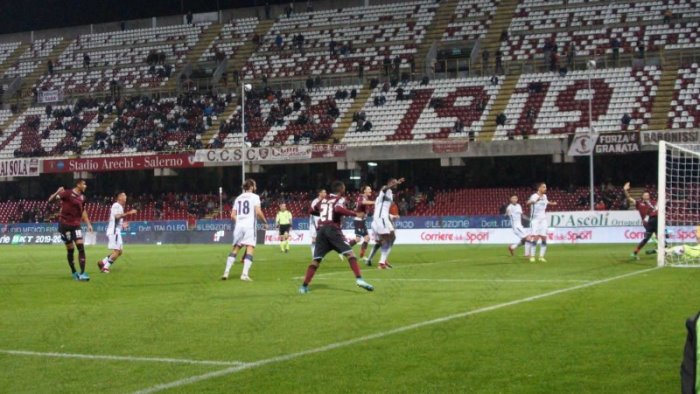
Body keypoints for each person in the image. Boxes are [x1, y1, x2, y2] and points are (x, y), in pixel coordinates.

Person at [299, 181, 374, 294]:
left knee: (316, 260)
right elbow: (338, 209)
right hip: (332, 230)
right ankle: (359, 279)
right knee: (350, 254)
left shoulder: (323, 199)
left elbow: (311, 210)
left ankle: (304, 287)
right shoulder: (340, 199)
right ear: (341, 189)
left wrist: (324, 215)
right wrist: (355, 214)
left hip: (321, 231)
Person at [222, 179, 269, 281]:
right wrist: (265, 222)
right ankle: (244, 274)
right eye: (255, 185)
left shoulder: (238, 198)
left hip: (239, 226)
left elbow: (232, 215)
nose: (256, 187)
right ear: (251, 186)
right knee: (250, 248)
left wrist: (240, 221)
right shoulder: (255, 197)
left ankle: (226, 272)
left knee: (236, 249)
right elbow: (258, 211)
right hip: (249, 226)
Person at [48, 179, 94, 281]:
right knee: (71, 249)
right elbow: (51, 200)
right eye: (84, 184)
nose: (85, 186)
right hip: (65, 225)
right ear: (78, 184)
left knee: (81, 247)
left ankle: (82, 273)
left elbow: (83, 211)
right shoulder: (67, 193)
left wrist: (88, 223)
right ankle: (74, 271)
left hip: (76, 225)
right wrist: (57, 191)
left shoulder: (82, 197)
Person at [369, 177, 405, 269]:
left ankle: (383, 260)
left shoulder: (390, 194)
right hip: (381, 218)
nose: (395, 184)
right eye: (393, 182)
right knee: (386, 239)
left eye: (395, 183)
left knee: (392, 237)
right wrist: (395, 182)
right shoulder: (384, 189)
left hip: (384, 218)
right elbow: (385, 188)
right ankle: (381, 263)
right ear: (389, 183)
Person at [97, 192, 137, 273]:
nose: (125, 197)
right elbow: (116, 216)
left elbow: (116, 220)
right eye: (124, 195)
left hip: (116, 230)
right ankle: (105, 268)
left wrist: (123, 225)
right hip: (114, 231)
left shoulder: (120, 207)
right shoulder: (116, 205)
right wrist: (129, 213)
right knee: (117, 251)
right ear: (119, 197)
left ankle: (103, 262)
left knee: (120, 252)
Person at [624, 182, 658, 260]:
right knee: (660, 236)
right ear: (642, 196)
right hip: (648, 222)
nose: (646, 196)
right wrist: (625, 190)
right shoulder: (639, 203)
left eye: (648, 195)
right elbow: (629, 198)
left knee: (647, 239)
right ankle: (661, 250)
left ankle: (635, 253)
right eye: (645, 195)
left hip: (655, 221)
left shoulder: (654, 202)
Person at [526, 182, 557, 262]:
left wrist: (552, 203)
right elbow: (527, 203)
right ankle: (532, 256)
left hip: (543, 219)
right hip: (535, 220)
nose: (545, 188)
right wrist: (535, 201)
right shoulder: (534, 196)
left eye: (545, 187)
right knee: (535, 237)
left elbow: (546, 202)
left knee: (544, 237)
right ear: (539, 188)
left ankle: (541, 257)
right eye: (543, 187)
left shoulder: (545, 196)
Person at [354, 185, 375, 259]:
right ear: (364, 191)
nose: (371, 190)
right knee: (359, 239)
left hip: (362, 221)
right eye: (369, 189)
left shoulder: (366, 198)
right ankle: (344, 250)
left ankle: (362, 256)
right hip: (359, 221)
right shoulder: (361, 196)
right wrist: (375, 202)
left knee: (367, 238)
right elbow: (362, 203)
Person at [309, 188, 327, 257]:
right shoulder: (315, 201)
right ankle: (314, 255)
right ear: (319, 193)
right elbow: (313, 214)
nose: (325, 194)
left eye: (325, 192)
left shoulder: (326, 201)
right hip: (314, 224)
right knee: (314, 239)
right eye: (323, 192)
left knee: (323, 240)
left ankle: (320, 254)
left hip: (322, 223)